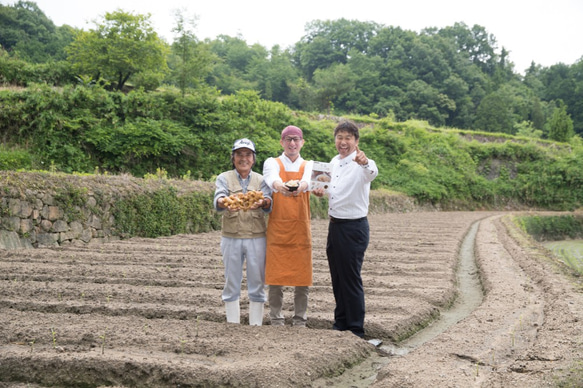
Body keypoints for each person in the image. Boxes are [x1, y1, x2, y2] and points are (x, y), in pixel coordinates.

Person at [313, 120, 378, 338]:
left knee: (350, 277)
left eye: (348, 138)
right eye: (339, 137)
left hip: (354, 227)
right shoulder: (334, 162)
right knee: (337, 276)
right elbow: (334, 190)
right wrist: (322, 191)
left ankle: (356, 328)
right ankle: (340, 322)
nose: (343, 142)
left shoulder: (362, 164)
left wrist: (365, 161)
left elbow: (372, 173)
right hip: (335, 225)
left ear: (356, 142)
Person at [213, 138, 272, 326]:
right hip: (231, 236)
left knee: (257, 281)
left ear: (253, 159)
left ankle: (256, 324)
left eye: (248, 155)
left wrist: (263, 202)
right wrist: (225, 202)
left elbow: (269, 202)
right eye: (239, 154)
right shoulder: (224, 177)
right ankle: (233, 325)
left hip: (257, 237)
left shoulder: (261, 180)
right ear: (233, 157)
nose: (243, 158)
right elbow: (219, 196)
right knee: (232, 280)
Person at [262, 125, 313, 327]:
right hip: (278, 229)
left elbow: (308, 181)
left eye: (296, 139)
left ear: (302, 142)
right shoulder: (271, 162)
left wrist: (300, 187)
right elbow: (272, 178)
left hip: (301, 229)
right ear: (281, 142)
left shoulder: (309, 165)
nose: (292, 143)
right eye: (288, 139)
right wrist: (280, 187)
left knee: (303, 276)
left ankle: (300, 318)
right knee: (276, 275)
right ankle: (276, 317)